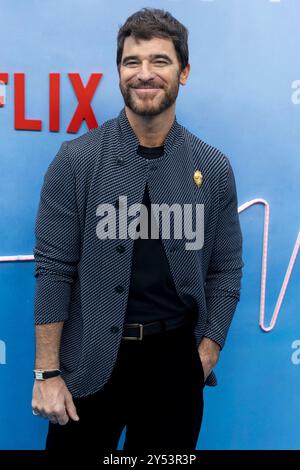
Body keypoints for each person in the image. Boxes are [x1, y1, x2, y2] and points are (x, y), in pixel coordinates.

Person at [31, 8, 244, 453]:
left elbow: (225, 271)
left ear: (183, 72)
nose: (144, 74)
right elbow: (54, 271)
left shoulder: (214, 168)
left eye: (159, 61)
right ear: (119, 73)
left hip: (174, 364)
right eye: (132, 62)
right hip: (89, 360)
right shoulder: (76, 161)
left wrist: (207, 351)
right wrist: (47, 373)